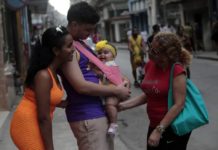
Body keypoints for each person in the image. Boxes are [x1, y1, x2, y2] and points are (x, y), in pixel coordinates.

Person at [59, 2, 131, 150]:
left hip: (95, 111)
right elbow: (81, 86)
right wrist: (116, 91)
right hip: (87, 115)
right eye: (87, 29)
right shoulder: (69, 48)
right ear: (74, 24)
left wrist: (120, 80)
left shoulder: (79, 43)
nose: (90, 34)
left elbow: (96, 70)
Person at [119, 32, 192, 150]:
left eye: (154, 51)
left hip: (172, 126)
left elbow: (179, 105)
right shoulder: (150, 65)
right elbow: (150, 94)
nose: (149, 51)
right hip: (154, 124)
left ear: (167, 55)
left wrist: (159, 131)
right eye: (149, 46)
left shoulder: (177, 70)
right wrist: (123, 106)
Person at [10, 26, 74, 150]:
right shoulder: (44, 76)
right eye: (69, 46)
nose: (73, 49)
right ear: (56, 50)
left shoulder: (53, 71)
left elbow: (45, 98)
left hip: (35, 122)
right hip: (26, 123)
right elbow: (43, 118)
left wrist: (62, 103)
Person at [94, 40, 126, 136]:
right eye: (99, 53)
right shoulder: (104, 65)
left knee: (110, 105)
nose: (102, 55)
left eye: (106, 52)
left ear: (113, 55)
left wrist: (95, 71)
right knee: (107, 106)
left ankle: (114, 124)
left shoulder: (110, 64)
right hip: (109, 90)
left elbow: (106, 75)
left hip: (114, 91)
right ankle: (111, 122)